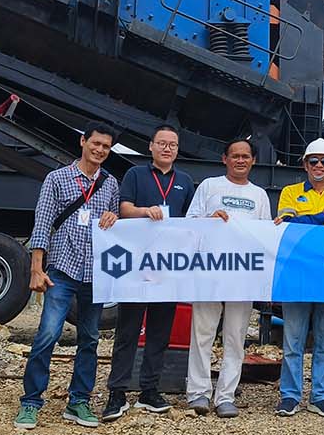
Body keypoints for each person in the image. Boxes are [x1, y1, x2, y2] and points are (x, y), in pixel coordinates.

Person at [14, 122, 120, 430]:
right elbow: (43, 222)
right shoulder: (57, 179)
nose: (100, 150)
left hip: (95, 272)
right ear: (83, 141)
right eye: (96, 143)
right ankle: (31, 402)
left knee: (90, 338)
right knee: (48, 333)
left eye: (106, 147)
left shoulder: (111, 184)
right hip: (63, 267)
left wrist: (115, 217)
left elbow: (114, 228)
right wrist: (37, 267)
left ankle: (79, 401)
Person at [99, 125, 195, 421]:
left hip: (168, 268)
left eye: (173, 145)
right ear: (151, 146)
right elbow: (124, 209)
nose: (167, 149)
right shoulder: (135, 175)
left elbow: (193, 222)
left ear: (177, 150)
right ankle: (117, 392)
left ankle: (149, 391)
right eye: (162, 143)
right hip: (136, 269)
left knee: (159, 333)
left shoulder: (185, 180)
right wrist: (145, 211)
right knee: (128, 331)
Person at [184, 139, 271, 418]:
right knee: (202, 334)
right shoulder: (209, 186)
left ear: (253, 161)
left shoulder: (259, 195)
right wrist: (210, 218)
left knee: (235, 337)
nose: (240, 160)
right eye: (235, 156)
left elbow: (264, 237)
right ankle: (198, 393)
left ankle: (226, 396)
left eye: (245, 156)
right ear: (225, 159)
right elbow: (189, 222)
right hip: (209, 271)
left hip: (242, 276)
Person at [273, 138, 324, 418]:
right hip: (297, 275)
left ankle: (320, 396)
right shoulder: (290, 193)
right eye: (314, 161)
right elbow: (285, 227)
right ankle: (290, 395)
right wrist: (322, 217)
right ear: (305, 164)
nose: (319, 166)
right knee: (293, 340)